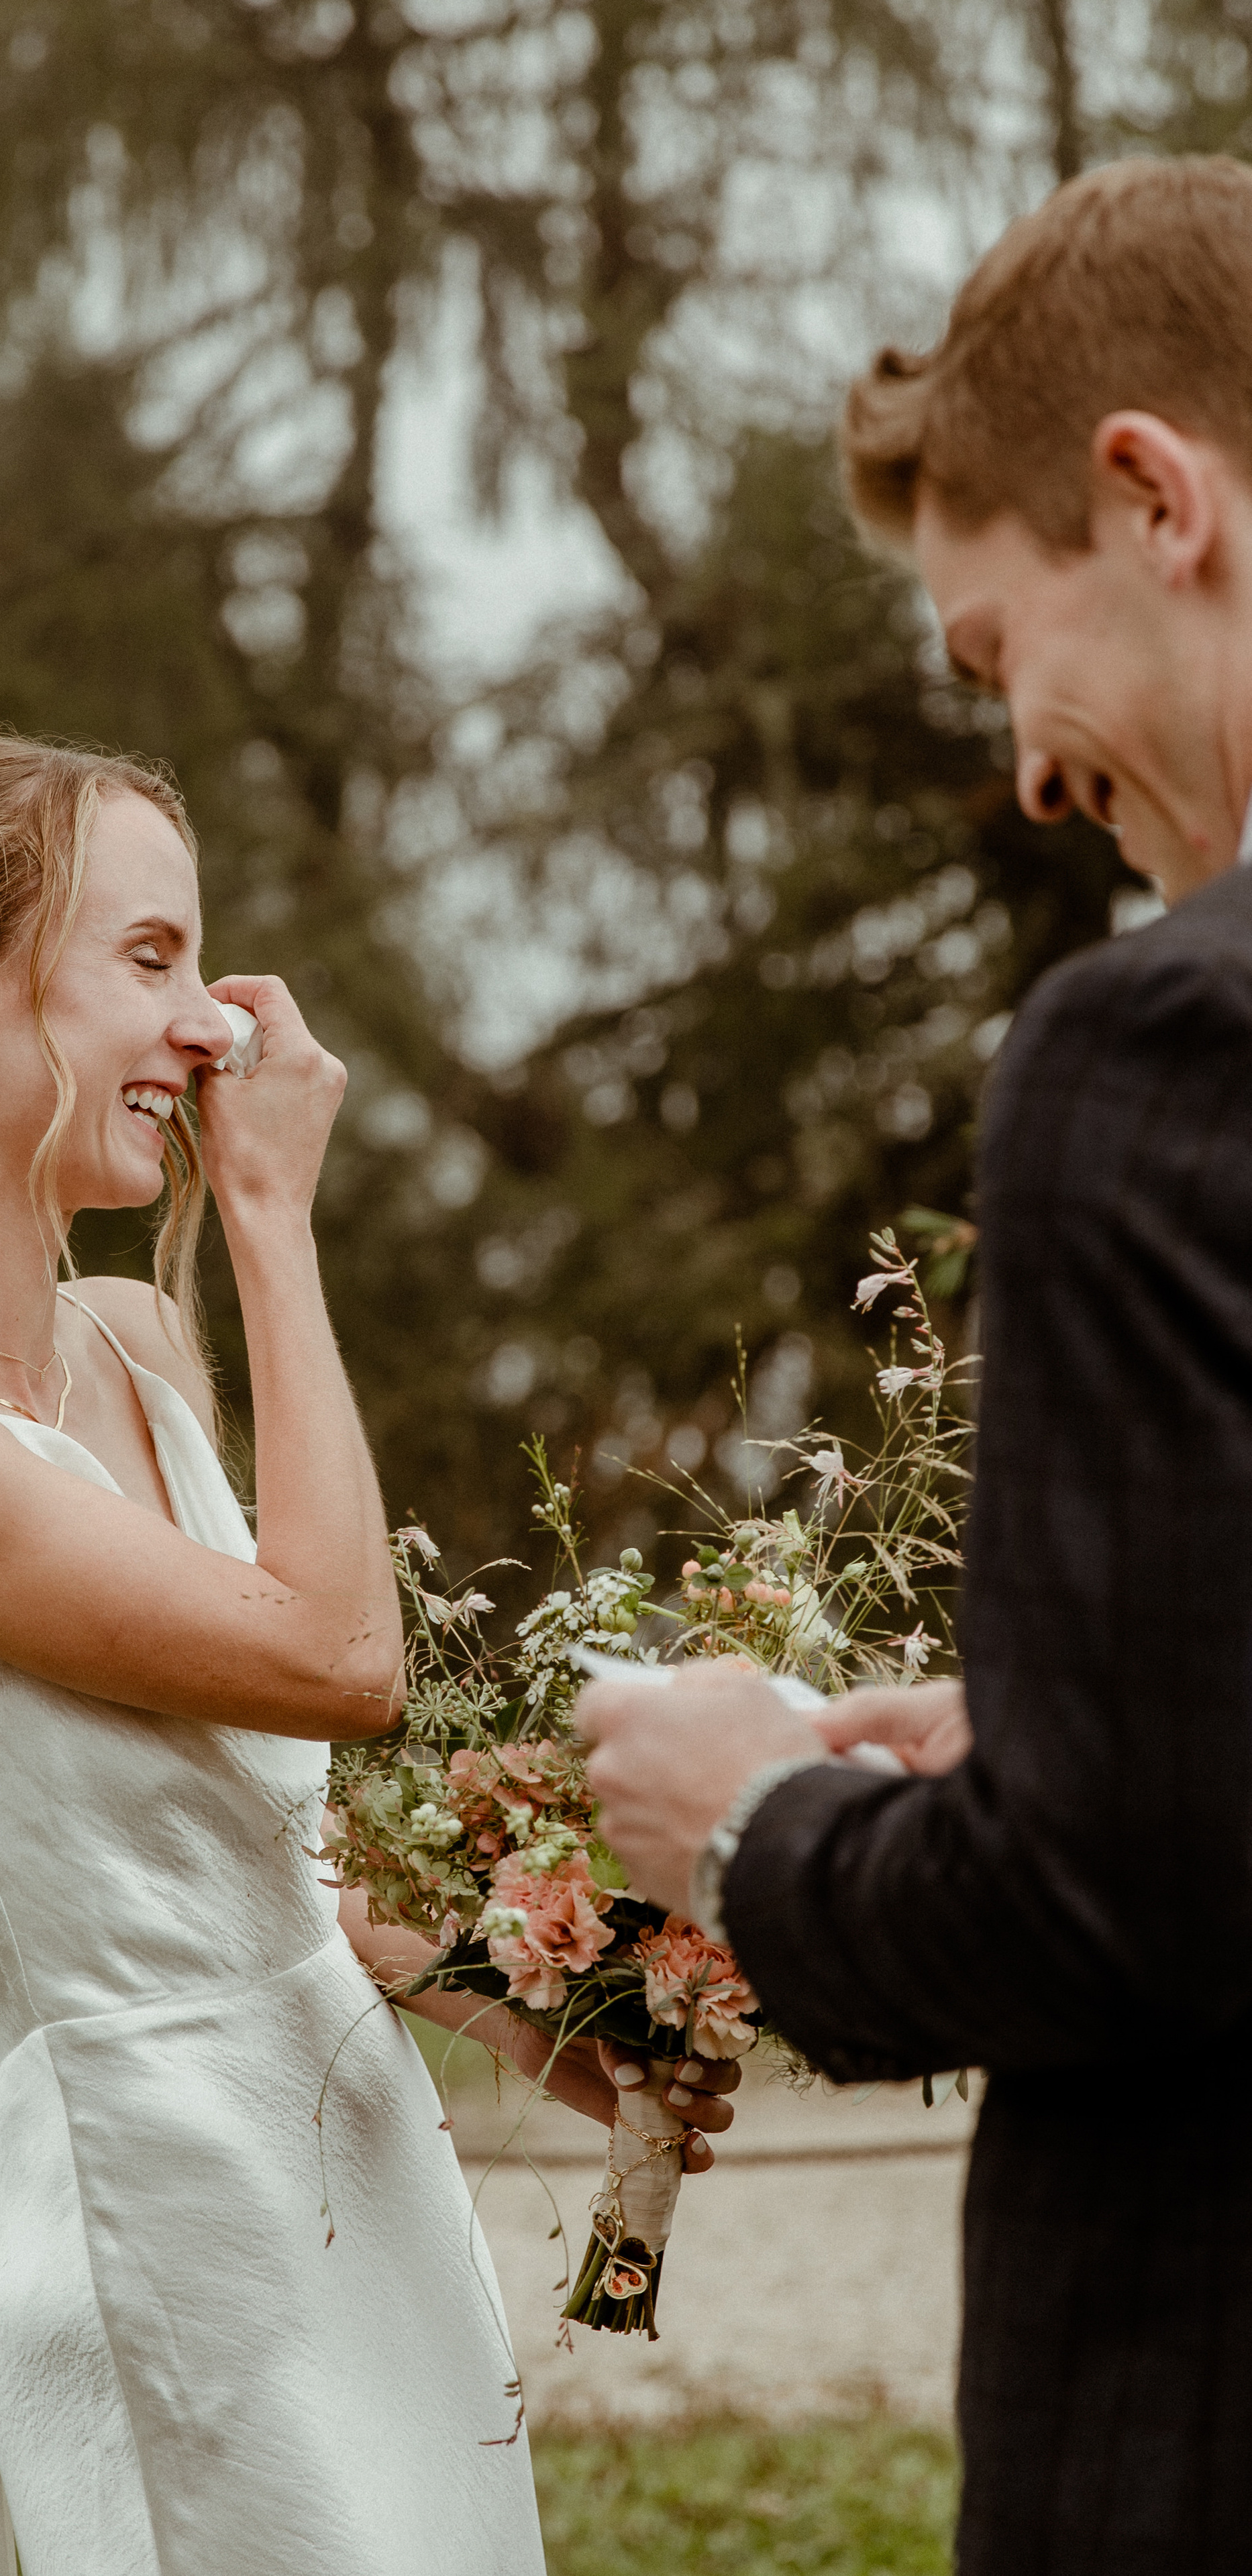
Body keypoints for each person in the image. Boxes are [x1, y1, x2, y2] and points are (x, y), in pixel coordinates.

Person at [0, 733, 739, 2576]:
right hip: (161, 2236)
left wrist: (569, 2010)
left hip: (358, 2197)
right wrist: (276, 1221)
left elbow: (274, 1856)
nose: (208, 1023)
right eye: (148, 957)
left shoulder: (130, 1344)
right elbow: (341, 1655)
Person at [578, 154, 1252, 2576]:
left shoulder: (1166, 1051)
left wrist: (758, 1823)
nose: (1035, 775)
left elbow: (1123, 1918)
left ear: (1151, 498)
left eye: (999, 658)